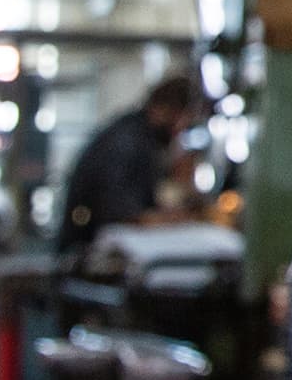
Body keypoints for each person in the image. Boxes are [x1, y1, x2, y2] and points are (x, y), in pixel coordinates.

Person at [56, 73, 205, 257]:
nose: (181, 130)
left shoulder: (138, 137)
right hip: (87, 257)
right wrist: (176, 218)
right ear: (169, 111)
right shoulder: (126, 143)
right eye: (184, 121)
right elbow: (120, 212)